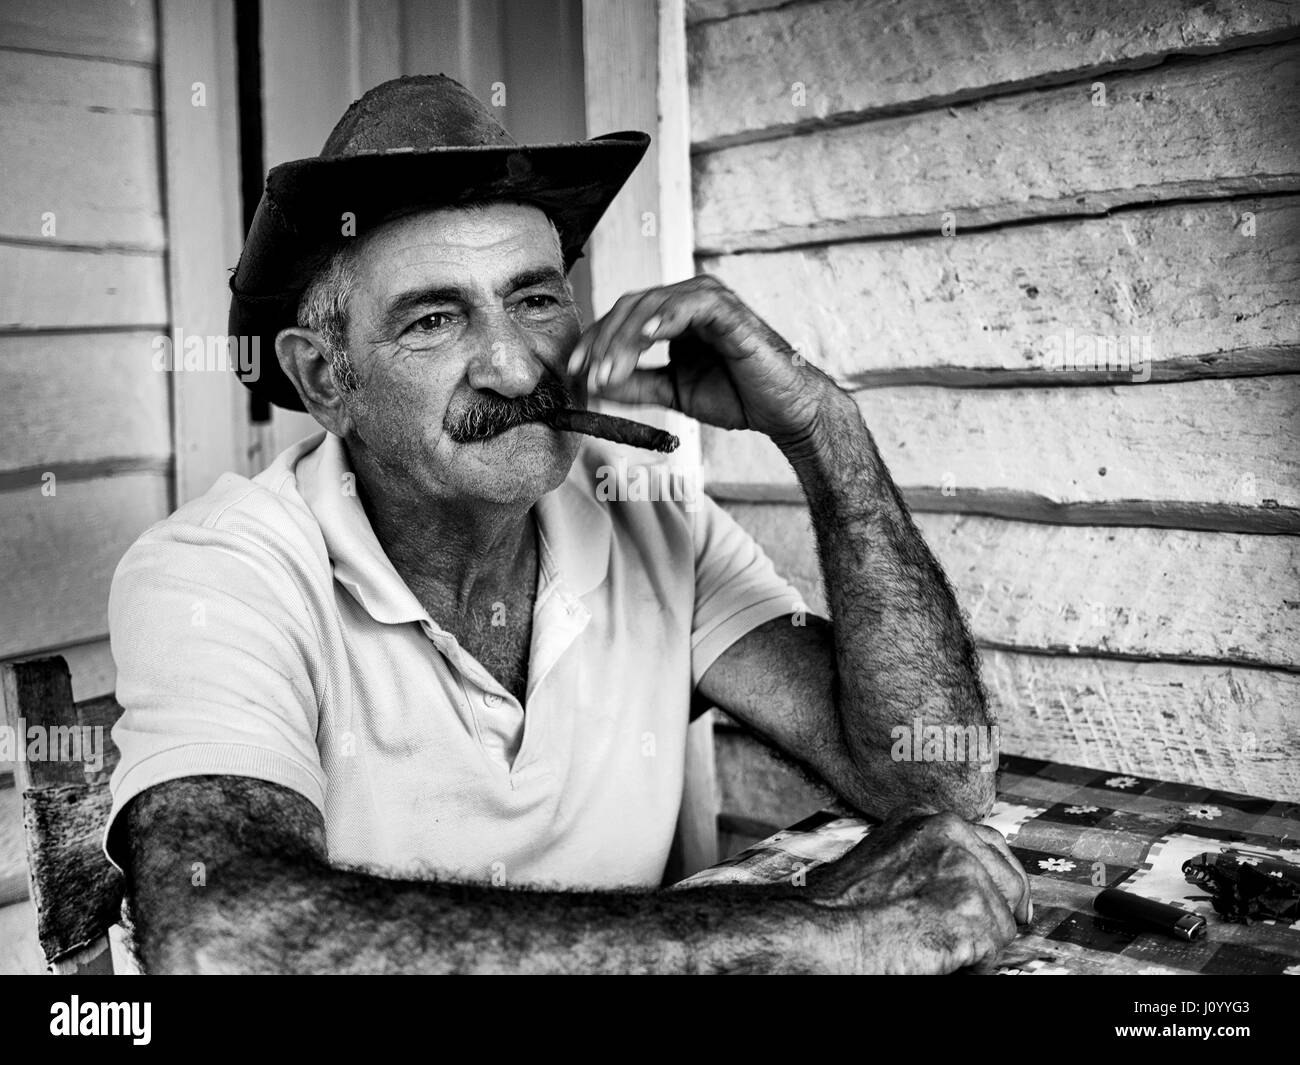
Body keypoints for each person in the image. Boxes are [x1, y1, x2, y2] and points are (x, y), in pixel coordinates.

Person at [106, 75, 1029, 974]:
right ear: (324, 380)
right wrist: (809, 931)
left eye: (536, 298)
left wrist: (825, 432)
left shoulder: (645, 513)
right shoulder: (217, 575)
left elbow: (932, 780)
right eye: (434, 319)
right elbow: (222, 939)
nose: (513, 368)